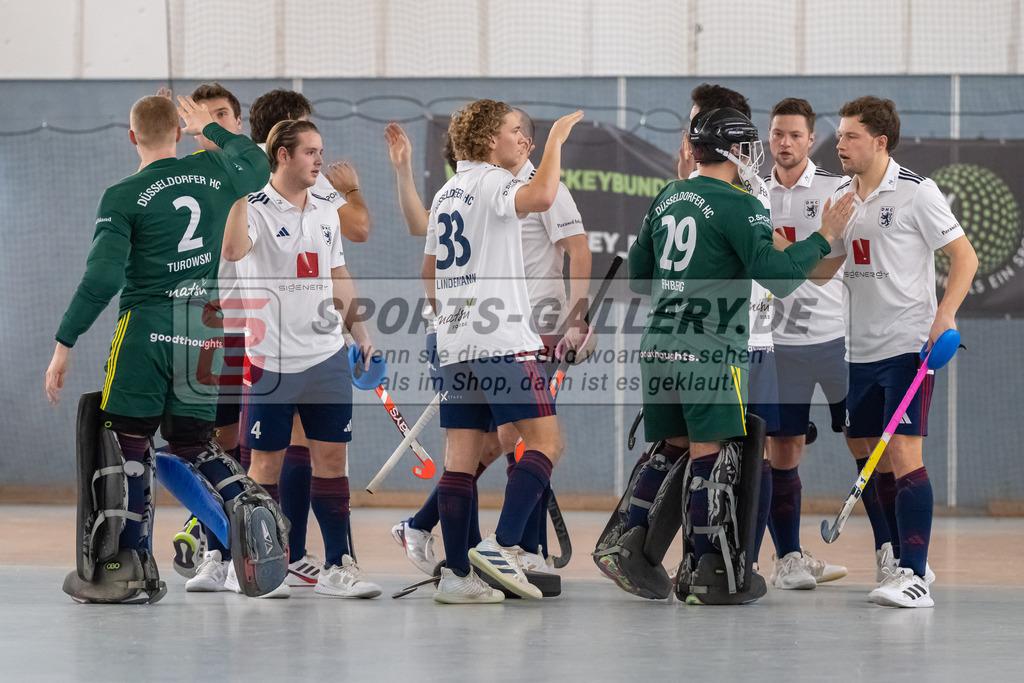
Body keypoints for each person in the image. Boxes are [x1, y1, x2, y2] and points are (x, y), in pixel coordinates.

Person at [46, 91, 274, 603]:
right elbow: (258, 164)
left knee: (126, 442)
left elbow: (102, 277)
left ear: (132, 137)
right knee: (195, 443)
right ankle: (255, 519)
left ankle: (128, 564)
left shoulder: (123, 195)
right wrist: (209, 129)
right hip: (203, 328)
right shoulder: (216, 173)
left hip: (147, 327)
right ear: (177, 132)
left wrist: (65, 340)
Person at [624, 106, 846, 604]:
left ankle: (627, 545)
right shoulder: (739, 203)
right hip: (709, 349)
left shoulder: (666, 196)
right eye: (748, 147)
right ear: (731, 151)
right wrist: (824, 236)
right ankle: (708, 571)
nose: (753, 157)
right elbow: (781, 277)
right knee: (712, 459)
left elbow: (639, 278)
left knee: (670, 450)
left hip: (658, 344)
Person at [385, 113, 591, 576]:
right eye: (515, 130)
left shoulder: (449, 189)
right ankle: (508, 545)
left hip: (458, 336)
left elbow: (427, 270)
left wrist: (453, 323)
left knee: (471, 453)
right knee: (544, 441)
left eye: (527, 134)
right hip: (504, 335)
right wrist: (558, 138)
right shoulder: (500, 183)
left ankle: (457, 571)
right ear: (489, 139)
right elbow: (540, 194)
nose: (523, 139)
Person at [820, 96, 977, 607]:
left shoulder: (917, 192)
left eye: (850, 136)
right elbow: (827, 268)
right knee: (866, 455)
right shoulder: (842, 193)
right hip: (857, 349)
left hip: (909, 346)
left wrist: (945, 314)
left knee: (905, 454)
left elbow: (965, 257)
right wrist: (809, 247)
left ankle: (913, 576)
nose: (839, 144)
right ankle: (898, 558)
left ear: (879, 141)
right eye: (839, 135)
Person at [222, 118, 382, 599]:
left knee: (332, 460)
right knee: (263, 468)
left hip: (327, 357)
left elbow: (338, 275)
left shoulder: (328, 211)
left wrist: (361, 333)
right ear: (283, 155)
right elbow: (232, 250)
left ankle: (338, 566)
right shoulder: (251, 207)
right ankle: (254, 566)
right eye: (310, 152)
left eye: (320, 150)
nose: (319, 160)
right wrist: (234, 193)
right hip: (269, 360)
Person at [762, 98, 851, 590]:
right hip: (779, 346)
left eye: (795, 134)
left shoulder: (836, 188)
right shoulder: (754, 192)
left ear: (811, 139)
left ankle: (896, 557)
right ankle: (788, 559)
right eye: (778, 134)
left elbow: (820, 274)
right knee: (784, 447)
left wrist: (780, 249)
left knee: (866, 444)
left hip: (836, 339)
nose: (786, 143)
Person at [169, 82, 247, 579]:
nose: (213, 123)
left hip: (252, 328)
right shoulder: (184, 179)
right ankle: (215, 549)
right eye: (205, 117)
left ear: (238, 124)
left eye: (222, 114)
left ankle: (222, 542)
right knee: (205, 441)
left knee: (243, 443)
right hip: (197, 326)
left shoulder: (258, 177)